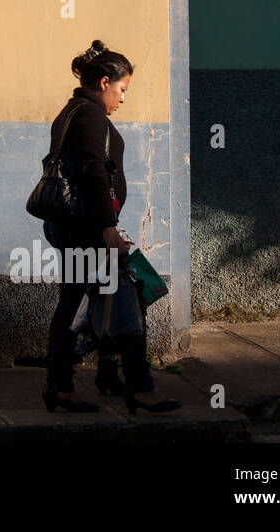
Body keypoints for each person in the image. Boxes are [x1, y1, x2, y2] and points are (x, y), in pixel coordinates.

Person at [40, 40, 183, 415]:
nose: (122, 99)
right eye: (122, 90)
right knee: (128, 296)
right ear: (104, 82)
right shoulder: (89, 116)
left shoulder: (72, 111)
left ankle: (76, 382)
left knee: (81, 304)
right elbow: (93, 173)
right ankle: (139, 386)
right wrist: (107, 229)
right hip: (86, 229)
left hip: (73, 227)